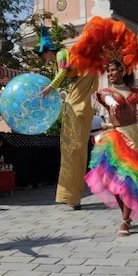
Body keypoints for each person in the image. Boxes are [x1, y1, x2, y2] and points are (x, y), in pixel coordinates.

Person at [68, 16, 138, 236]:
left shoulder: (134, 93)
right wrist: (112, 103)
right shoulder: (105, 93)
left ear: (123, 71)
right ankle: (125, 216)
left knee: (129, 180)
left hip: (133, 137)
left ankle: (125, 220)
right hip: (115, 138)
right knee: (116, 182)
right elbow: (109, 100)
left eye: (114, 70)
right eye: (108, 70)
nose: (110, 73)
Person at [37, 25, 98, 210]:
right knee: (72, 143)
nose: (44, 60)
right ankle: (71, 194)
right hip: (82, 83)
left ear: (47, 51)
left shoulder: (61, 54)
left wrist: (50, 88)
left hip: (85, 82)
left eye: (43, 56)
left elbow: (63, 72)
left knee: (74, 138)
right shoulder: (61, 57)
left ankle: (72, 194)